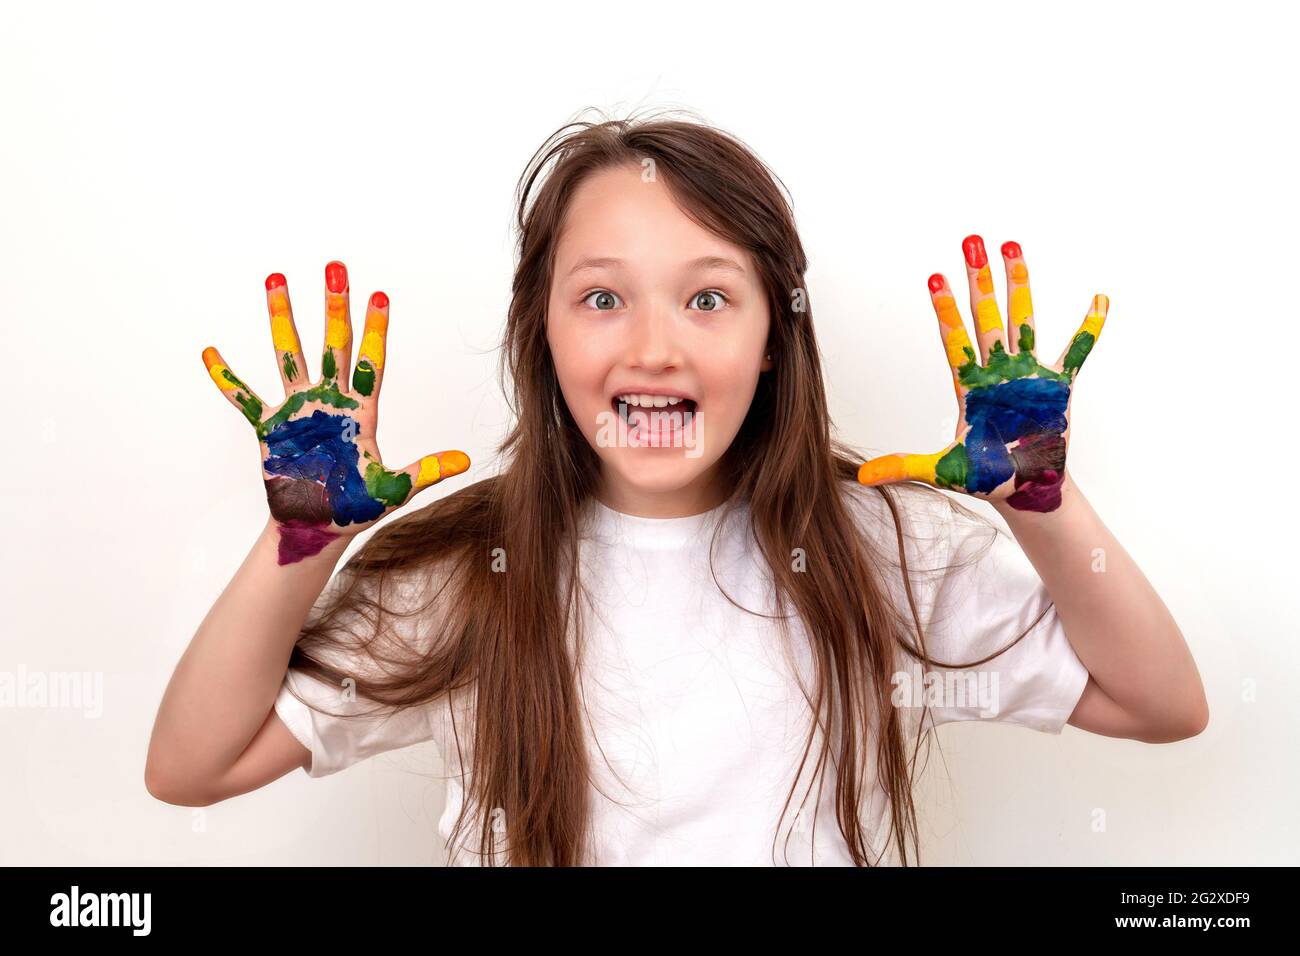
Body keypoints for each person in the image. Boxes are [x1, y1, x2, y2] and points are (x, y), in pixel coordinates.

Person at [145, 109, 1207, 866]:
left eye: (707, 297)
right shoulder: (465, 570)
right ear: (540, 331)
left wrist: (1043, 501)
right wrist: (300, 540)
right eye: (601, 296)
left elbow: (1161, 703)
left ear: (773, 340)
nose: (653, 347)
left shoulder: (877, 546)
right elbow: (193, 766)